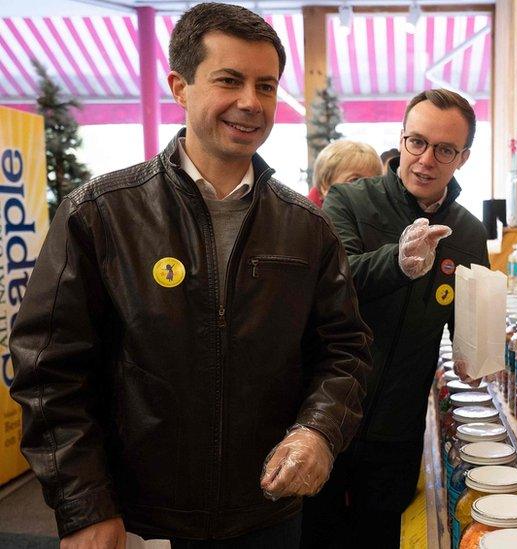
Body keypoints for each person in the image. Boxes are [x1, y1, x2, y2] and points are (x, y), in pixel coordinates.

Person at [10, 3, 371, 547]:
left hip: (269, 510)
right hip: (139, 516)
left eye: (266, 86)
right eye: (230, 80)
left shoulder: (307, 227)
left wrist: (319, 430)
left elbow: (344, 349)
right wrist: (83, 505)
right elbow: (49, 368)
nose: (251, 102)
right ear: (180, 87)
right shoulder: (101, 212)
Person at [308, 89, 489, 547]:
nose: (426, 160)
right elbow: (333, 283)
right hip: (327, 413)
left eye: (444, 149)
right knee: (317, 533)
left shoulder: (468, 231)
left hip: (399, 425)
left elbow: (466, 324)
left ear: (462, 158)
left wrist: (478, 354)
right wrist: (398, 262)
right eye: (417, 142)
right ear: (401, 139)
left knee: (380, 535)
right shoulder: (349, 202)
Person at [307, 140, 383, 208]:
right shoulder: (302, 219)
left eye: (373, 182)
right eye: (355, 180)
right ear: (325, 185)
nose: (366, 189)